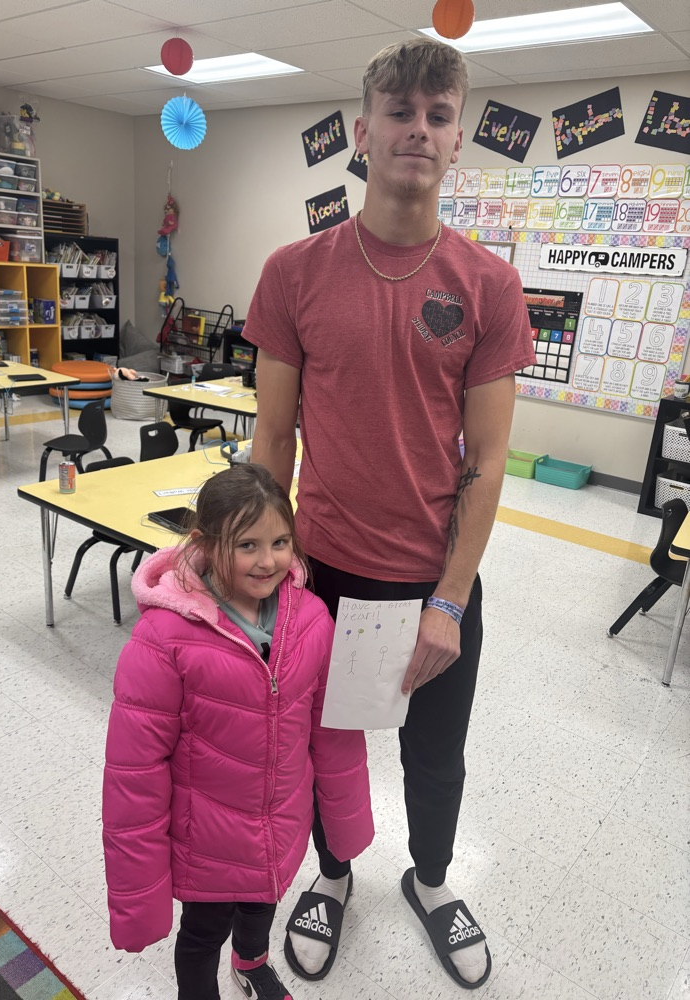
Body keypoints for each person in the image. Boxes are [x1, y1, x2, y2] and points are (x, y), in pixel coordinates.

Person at [244, 37, 536, 992]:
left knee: (434, 755)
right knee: (328, 748)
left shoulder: (488, 286)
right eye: (400, 112)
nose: (418, 129)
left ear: (458, 142)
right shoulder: (293, 273)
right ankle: (331, 877)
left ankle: (435, 879)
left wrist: (450, 602)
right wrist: (259, 569)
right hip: (322, 572)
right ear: (362, 132)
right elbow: (272, 443)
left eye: (438, 114)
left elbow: (487, 465)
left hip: (435, 579)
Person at [102, 464, 374, 1000]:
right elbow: (134, 775)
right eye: (247, 545)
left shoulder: (312, 619)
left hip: (280, 828)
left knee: (262, 907)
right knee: (202, 935)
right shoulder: (163, 639)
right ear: (204, 542)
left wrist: (346, 826)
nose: (268, 560)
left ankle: (251, 964)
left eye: (279, 542)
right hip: (208, 842)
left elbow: (334, 736)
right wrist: (138, 897)